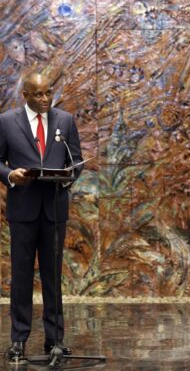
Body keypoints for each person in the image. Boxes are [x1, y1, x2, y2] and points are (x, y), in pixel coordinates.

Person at [0, 72, 83, 359]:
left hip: (54, 211)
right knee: (21, 277)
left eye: (49, 93)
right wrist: (10, 174)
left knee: (53, 276)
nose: (46, 99)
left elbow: (76, 161)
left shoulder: (65, 120)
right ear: (25, 95)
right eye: (38, 94)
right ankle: (18, 341)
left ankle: (55, 340)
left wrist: (67, 177)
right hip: (22, 210)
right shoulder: (7, 122)